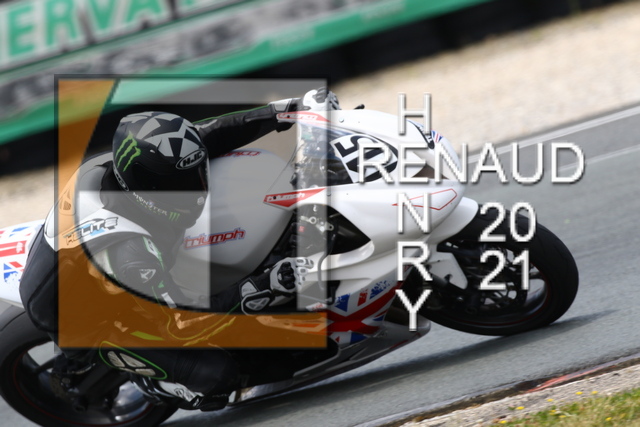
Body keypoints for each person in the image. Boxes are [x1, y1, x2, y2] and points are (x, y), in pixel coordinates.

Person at [19, 88, 340, 411]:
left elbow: (209, 135)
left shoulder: (143, 165)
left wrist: (284, 111)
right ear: (148, 187)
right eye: (181, 184)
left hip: (103, 267)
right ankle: (155, 384)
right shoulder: (131, 251)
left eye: (195, 175)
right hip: (93, 322)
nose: (197, 188)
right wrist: (262, 286)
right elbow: (180, 324)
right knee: (217, 376)